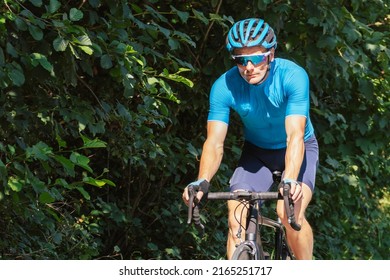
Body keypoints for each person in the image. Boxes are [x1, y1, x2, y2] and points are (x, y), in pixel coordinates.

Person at [182, 18, 319, 260]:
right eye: (240, 60)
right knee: (237, 215)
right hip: (257, 153)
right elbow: (214, 142)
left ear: (271, 54)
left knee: (288, 213)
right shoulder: (224, 86)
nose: (248, 67)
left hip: (299, 148)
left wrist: (290, 179)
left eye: (256, 58)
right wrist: (202, 180)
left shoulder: (293, 76)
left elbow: (295, 134)